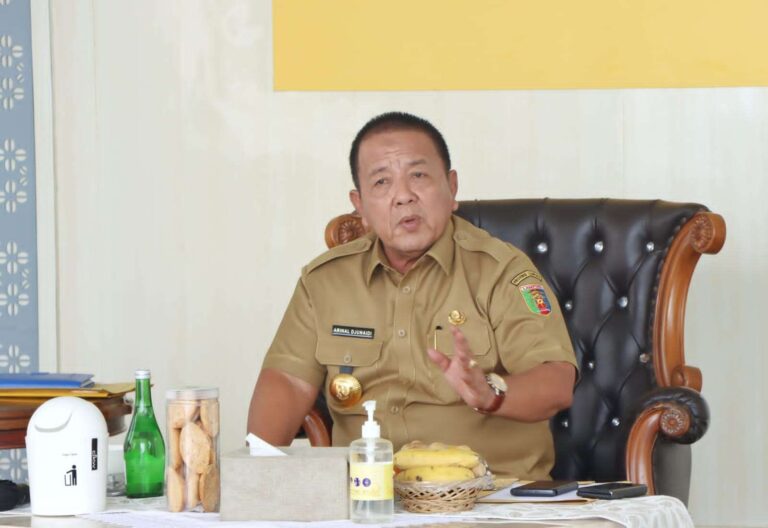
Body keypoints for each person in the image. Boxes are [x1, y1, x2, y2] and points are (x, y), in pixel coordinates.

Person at [248, 112, 577, 479]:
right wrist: (256, 479)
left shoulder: (501, 271)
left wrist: (489, 392)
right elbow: (288, 382)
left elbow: (556, 381)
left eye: (418, 176)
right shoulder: (325, 280)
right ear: (360, 206)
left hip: (487, 499)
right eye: (382, 182)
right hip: (367, 497)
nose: (403, 196)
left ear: (452, 188)